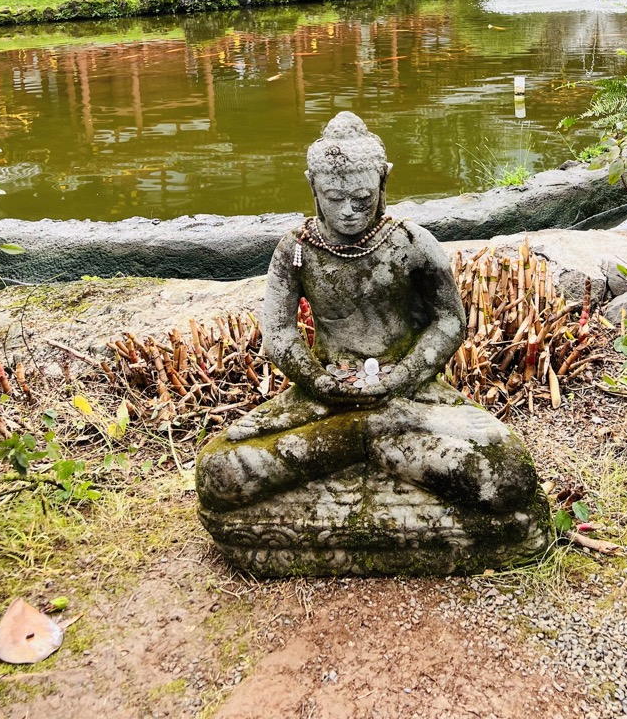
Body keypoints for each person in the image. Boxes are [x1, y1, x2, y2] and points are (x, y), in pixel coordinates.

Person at [196, 112, 539, 518]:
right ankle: (368, 434)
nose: (348, 211)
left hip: (406, 392)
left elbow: (450, 321)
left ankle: (357, 439)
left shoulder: (411, 242)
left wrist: (404, 375)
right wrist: (318, 380)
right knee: (218, 475)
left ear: (383, 181)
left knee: (508, 475)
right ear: (312, 185)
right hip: (326, 394)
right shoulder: (296, 249)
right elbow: (279, 333)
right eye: (333, 198)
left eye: (362, 198)